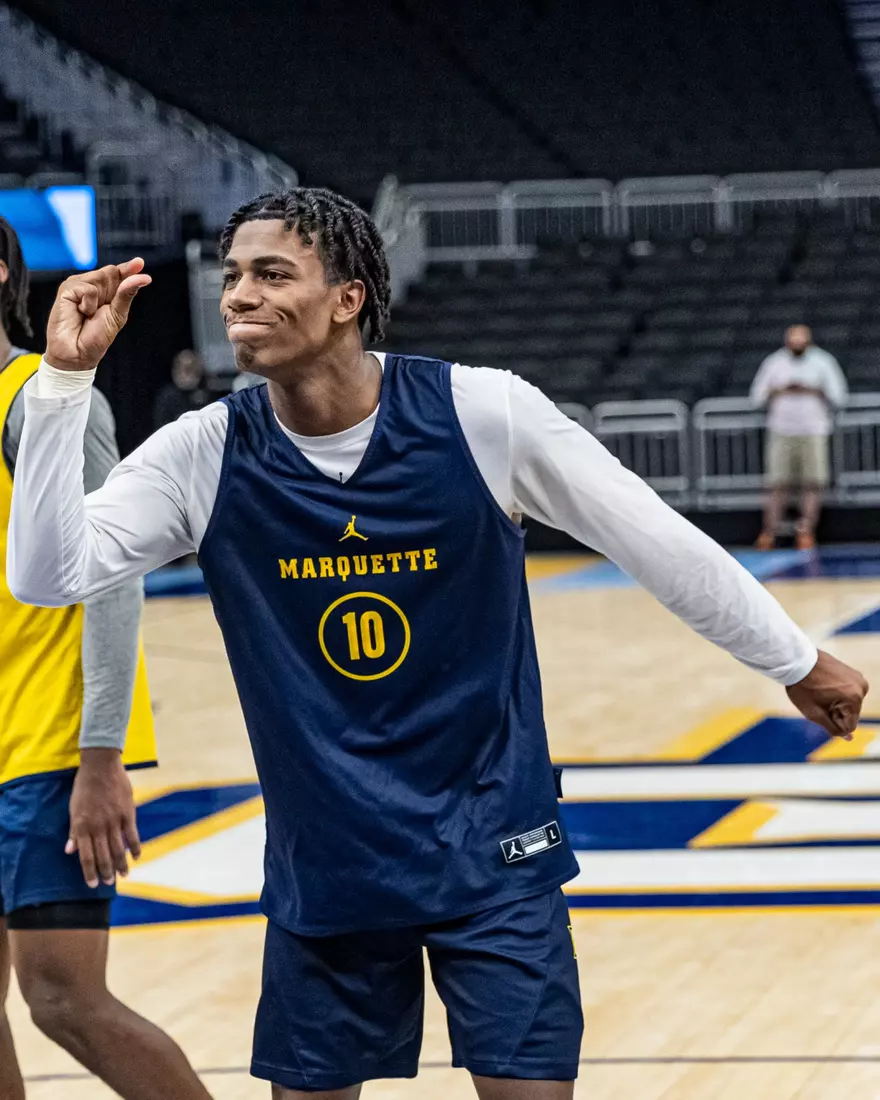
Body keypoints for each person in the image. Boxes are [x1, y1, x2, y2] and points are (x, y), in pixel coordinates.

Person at [7, 189, 868, 1100]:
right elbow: (49, 576)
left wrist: (795, 660)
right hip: (329, 861)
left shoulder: (483, 412)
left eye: (271, 274)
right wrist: (64, 383)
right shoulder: (204, 451)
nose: (237, 298)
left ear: (348, 298)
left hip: (494, 844)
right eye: (231, 277)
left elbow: (652, 538)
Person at [0, 218, 212, 1100]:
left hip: (49, 745)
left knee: (63, 998)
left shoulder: (39, 396)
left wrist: (100, 753)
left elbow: (113, 573)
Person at [750, 324, 848, 551]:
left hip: (814, 430)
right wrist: (781, 390)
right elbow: (756, 397)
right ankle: (770, 531)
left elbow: (840, 396)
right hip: (781, 430)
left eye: (801, 341)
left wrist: (812, 390)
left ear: (808, 342)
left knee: (812, 483)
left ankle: (806, 531)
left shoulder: (823, 362)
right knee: (777, 483)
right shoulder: (774, 363)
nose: (797, 345)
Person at [152, 348, 211, 429]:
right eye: (186, 369)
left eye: (195, 370)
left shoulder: (205, 393)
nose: (191, 375)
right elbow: (162, 426)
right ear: (176, 371)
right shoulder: (168, 397)